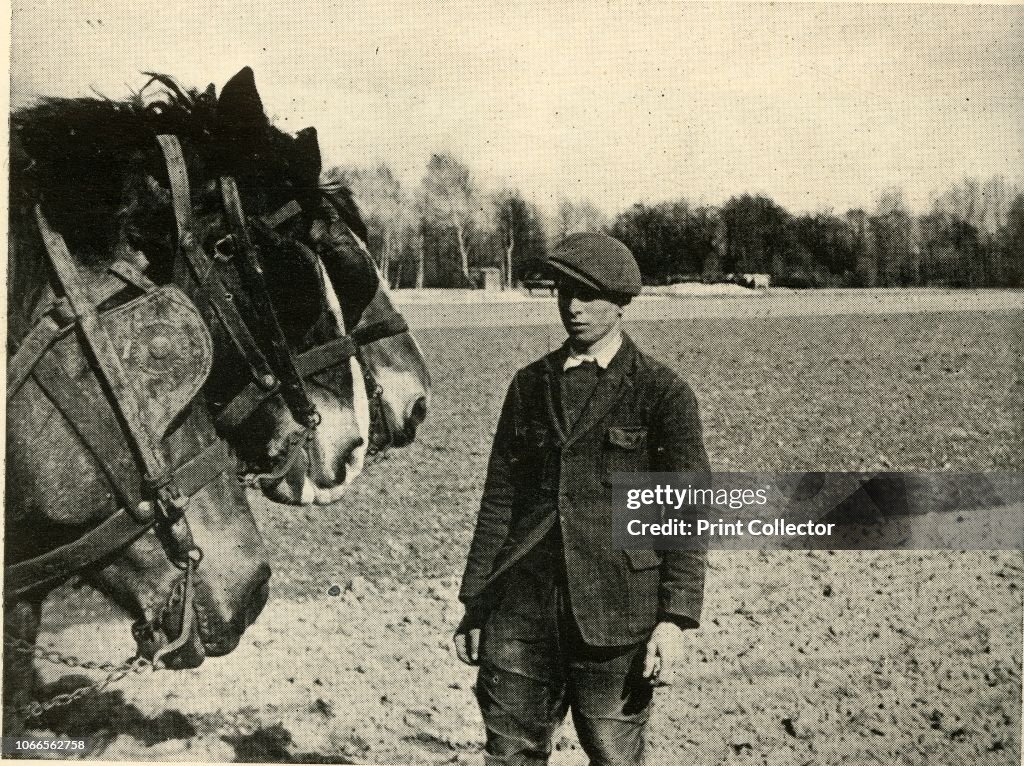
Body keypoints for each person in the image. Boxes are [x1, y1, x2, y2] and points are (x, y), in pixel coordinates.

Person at [454, 232, 710, 766]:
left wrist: (674, 618)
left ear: (621, 303)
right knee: (509, 756)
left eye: (589, 295)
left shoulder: (662, 392)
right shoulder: (528, 385)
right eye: (564, 292)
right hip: (521, 610)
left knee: (614, 757)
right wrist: (476, 602)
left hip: (617, 616)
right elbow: (500, 499)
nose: (573, 307)